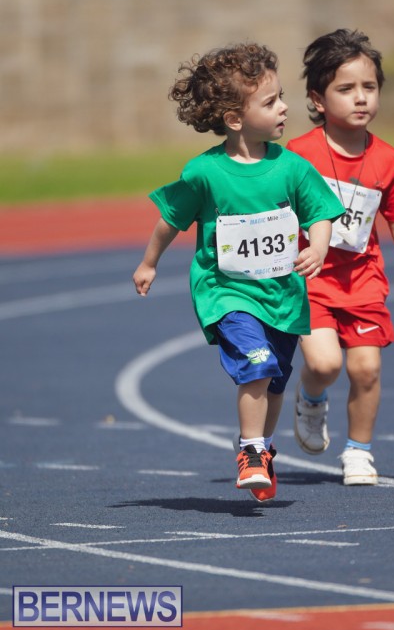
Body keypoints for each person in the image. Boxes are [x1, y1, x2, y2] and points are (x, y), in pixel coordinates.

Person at [133, 42, 345, 502]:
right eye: (270, 102)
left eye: (281, 97)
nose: (284, 107)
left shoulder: (292, 168)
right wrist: (150, 262)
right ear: (235, 119)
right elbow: (171, 218)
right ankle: (250, 450)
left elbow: (320, 213)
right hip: (226, 293)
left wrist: (318, 247)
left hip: (282, 297)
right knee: (257, 364)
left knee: (275, 381)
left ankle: (261, 447)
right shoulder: (204, 173)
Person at [286, 28, 394, 486]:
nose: (361, 98)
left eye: (369, 87)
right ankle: (311, 398)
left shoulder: (388, 160)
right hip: (311, 279)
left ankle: (358, 451)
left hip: (363, 282)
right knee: (324, 364)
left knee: (367, 369)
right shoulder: (297, 155)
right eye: (346, 89)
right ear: (317, 100)